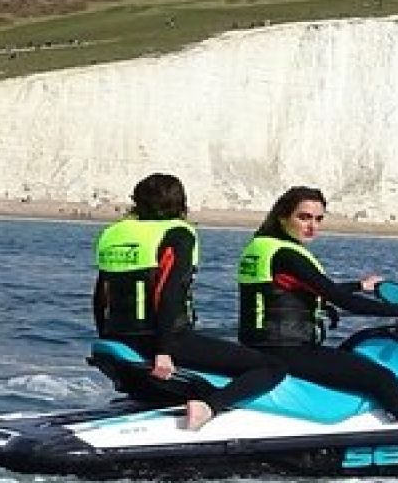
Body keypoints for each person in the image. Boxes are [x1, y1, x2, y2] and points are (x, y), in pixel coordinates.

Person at [94, 173, 284, 429]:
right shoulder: (178, 234)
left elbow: (101, 294)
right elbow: (169, 291)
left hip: (118, 337)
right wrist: (164, 351)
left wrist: (105, 338)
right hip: (160, 339)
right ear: (180, 203)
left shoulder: (113, 233)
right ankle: (208, 408)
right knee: (270, 367)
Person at [236, 186, 398, 422]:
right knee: (381, 378)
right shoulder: (287, 255)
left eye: (318, 219)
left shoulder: (262, 247)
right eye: (304, 217)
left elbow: (305, 290)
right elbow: (344, 302)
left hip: (260, 345)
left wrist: (360, 286)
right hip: (287, 350)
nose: (313, 226)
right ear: (283, 217)